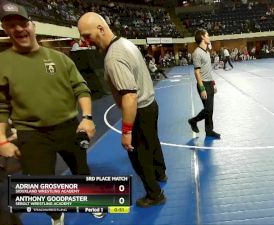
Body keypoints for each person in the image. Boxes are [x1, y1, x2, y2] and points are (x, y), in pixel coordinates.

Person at [0, 2, 97, 225]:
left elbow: (81, 88)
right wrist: (2, 139)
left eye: (22, 23)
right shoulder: (2, 63)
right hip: (30, 133)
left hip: (68, 127)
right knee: (41, 183)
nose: (18, 29)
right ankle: (56, 215)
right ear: (5, 30)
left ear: (32, 25)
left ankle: (92, 202)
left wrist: (88, 118)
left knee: (82, 171)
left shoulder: (60, 58)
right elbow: (2, 106)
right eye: (10, 25)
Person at [77, 12, 167, 208]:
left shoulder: (113, 57)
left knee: (138, 156)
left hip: (140, 110)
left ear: (101, 29)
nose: (85, 41)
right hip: (151, 105)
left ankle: (155, 194)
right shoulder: (126, 43)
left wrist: (126, 131)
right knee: (152, 142)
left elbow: (129, 96)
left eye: (87, 35)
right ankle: (161, 173)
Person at [188, 29, 221, 139]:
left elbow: (208, 70)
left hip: (209, 83)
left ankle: (209, 130)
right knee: (207, 109)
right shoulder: (197, 53)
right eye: (207, 35)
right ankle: (193, 121)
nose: (209, 36)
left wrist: (213, 83)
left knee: (210, 110)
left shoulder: (206, 52)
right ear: (202, 37)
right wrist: (202, 88)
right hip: (203, 84)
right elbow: (197, 72)